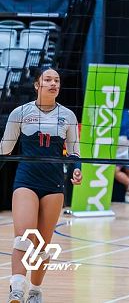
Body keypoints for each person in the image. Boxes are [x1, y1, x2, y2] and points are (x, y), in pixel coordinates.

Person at [0, 68, 82, 303]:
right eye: (48, 80)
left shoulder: (67, 116)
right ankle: (17, 288)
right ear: (37, 85)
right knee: (23, 238)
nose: (53, 83)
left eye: (56, 80)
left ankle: (35, 291)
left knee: (43, 246)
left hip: (53, 183)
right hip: (26, 180)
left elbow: (74, 152)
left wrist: (76, 170)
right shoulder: (20, 113)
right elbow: (5, 149)